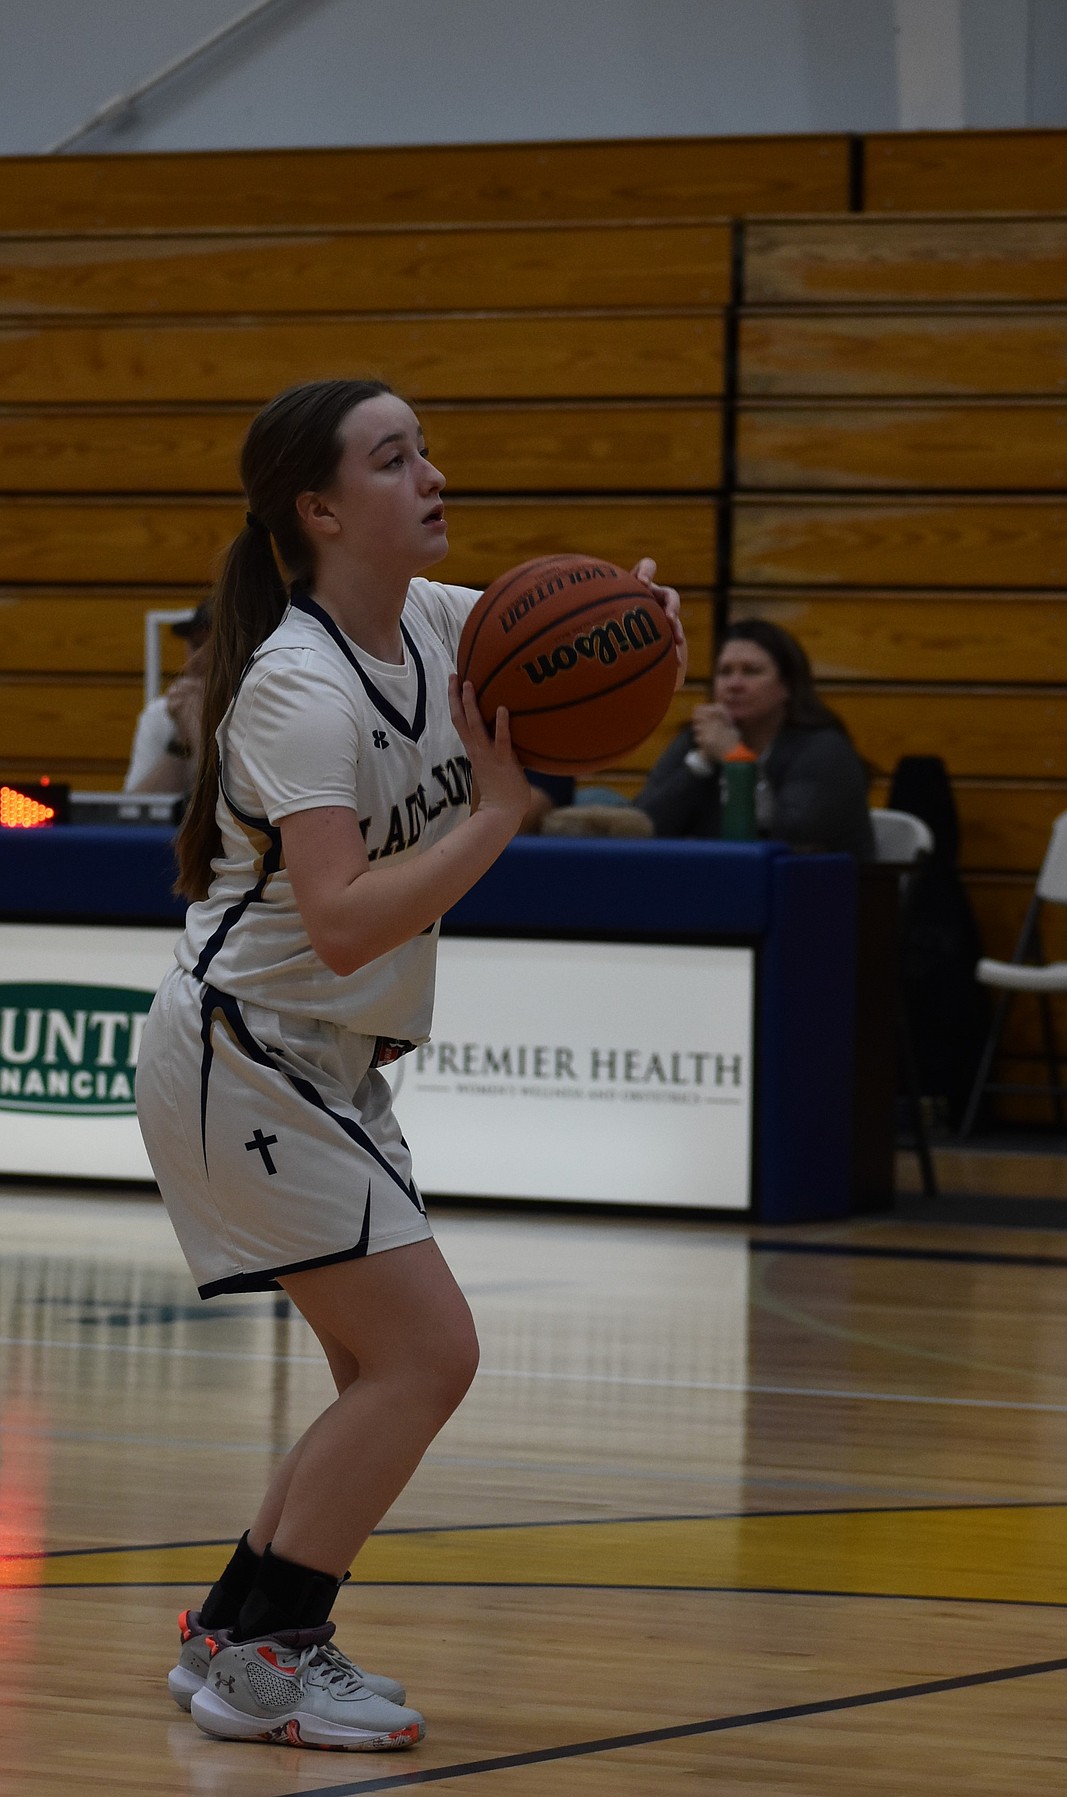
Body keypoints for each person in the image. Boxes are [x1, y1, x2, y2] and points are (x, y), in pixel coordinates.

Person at [134, 376, 683, 1755]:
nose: (431, 474)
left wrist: (641, 621)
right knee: (429, 1354)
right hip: (247, 1048)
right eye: (394, 459)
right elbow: (337, 921)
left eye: (425, 449)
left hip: (316, 1060)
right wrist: (502, 813)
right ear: (320, 508)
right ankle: (273, 1655)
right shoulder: (295, 685)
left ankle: (230, 1634)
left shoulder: (443, 626)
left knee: (376, 1364)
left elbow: (570, 636)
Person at [637, 618, 874, 858]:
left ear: (788, 685)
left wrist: (735, 758)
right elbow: (642, 829)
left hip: (815, 888)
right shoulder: (699, 740)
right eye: (724, 672)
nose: (734, 684)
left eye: (751, 671)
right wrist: (700, 764)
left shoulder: (824, 749)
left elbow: (794, 836)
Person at [122, 602, 211, 795]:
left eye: (214, 646)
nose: (197, 659)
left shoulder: (259, 711)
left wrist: (200, 734)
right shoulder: (162, 713)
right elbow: (134, 810)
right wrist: (181, 742)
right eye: (195, 646)